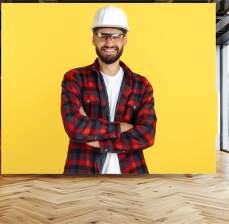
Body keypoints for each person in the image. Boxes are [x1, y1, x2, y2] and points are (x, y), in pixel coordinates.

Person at [61, 5, 157, 174]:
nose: (109, 42)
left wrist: (99, 140)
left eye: (116, 36)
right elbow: (75, 127)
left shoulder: (141, 85)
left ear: (125, 40)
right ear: (93, 39)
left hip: (131, 173)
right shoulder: (75, 78)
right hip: (82, 172)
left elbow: (147, 135)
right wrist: (122, 127)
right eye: (102, 35)